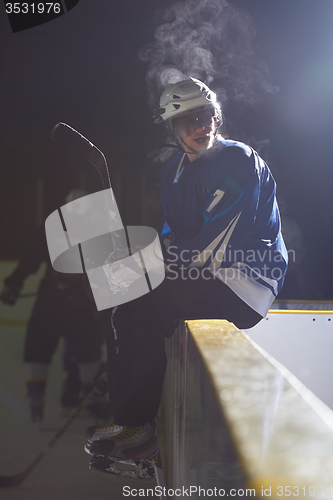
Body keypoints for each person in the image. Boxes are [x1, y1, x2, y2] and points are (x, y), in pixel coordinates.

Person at [84, 78, 288, 476]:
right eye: (186, 121)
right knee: (121, 297)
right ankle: (134, 423)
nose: (200, 126)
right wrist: (133, 262)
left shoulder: (237, 161)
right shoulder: (173, 173)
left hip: (244, 282)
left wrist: (144, 265)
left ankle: (136, 428)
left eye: (206, 114)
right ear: (171, 130)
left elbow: (216, 249)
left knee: (132, 302)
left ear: (217, 115)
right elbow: (170, 237)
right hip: (209, 278)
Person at [0, 190, 110, 422]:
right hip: (77, 301)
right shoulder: (97, 231)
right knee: (84, 351)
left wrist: (13, 285)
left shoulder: (50, 228)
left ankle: (37, 400)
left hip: (56, 299)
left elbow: (29, 261)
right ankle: (91, 401)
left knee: (45, 350)